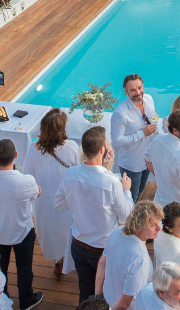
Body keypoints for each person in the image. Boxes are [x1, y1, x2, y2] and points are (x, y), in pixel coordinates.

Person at [54, 126, 133, 303]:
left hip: (78, 246)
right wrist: (126, 191)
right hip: (102, 251)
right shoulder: (113, 182)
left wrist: (77, 203)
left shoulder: (70, 174)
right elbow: (126, 218)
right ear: (102, 150)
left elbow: (58, 203)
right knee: (105, 296)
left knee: (85, 291)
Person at [0, 139, 43, 310]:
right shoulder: (27, 181)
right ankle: (26, 300)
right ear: (16, 156)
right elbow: (37, 193)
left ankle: (3, 298)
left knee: (1, 268)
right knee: (24, 268)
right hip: (22, 232)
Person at [23, 108, 81, 276]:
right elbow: (78, 173)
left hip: (42, 199)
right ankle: (70, 260)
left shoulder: (34, 150)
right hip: (65, 199)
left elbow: (27, 176)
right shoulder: (70, 148)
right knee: (67, 228)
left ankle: (57, 261)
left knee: (49, 229)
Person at [96, 200, 163, 310]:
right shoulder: (139, 258)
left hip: (107, 301)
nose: (159, 228)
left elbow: (103, 262)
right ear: (138, 227)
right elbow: (124, 304)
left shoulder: (117, 231)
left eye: (159, 222)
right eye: (152, 225)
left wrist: (97, 297)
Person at [111, 74, 159, 203]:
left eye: (140, 88)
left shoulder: (149, 99)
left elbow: (154, 120)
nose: (138, 93)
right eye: (133, 90)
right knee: (131, 198)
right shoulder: (120, 113)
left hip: (147, 159)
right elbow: (116, 142)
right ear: (126, 91)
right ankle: (129, 222)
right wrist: (142, 133)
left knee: (141, 189)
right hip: (131, 164)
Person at [144, 109, 180, 209]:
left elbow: (146, 157)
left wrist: (159, 174)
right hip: (178, 210)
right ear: (175, 131)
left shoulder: (158, 139)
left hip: (158, 203)